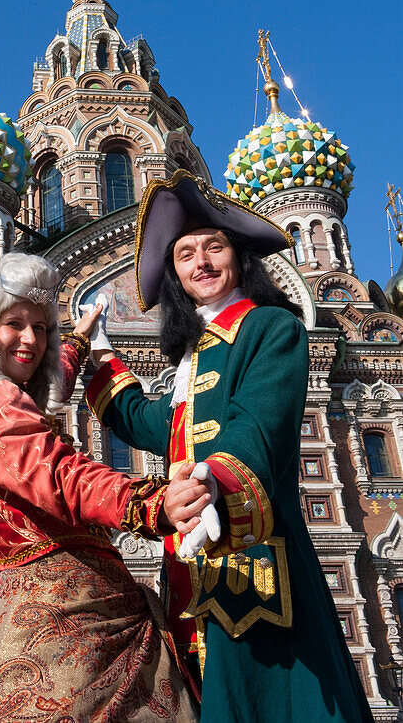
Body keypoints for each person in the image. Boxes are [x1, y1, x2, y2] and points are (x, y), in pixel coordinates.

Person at [86, 170, 374, 723]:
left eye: (214, 246)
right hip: (192, 562)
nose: (202, 262)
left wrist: (213, 480)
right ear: (176, 275)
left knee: (271, 694)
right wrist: (99, 354)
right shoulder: (194, 356)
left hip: (257, 547)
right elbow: (153, 425)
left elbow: (258, 425)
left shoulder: (270, 328)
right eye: (186, 254)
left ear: (238, 256)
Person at [0, 252, 198, 723]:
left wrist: (76, 340)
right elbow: (59, 475)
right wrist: (151, 502)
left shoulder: (4, 404)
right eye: (14, 324)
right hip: (58, 631)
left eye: (41, 328)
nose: (31, 339)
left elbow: (45, 391)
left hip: (89, 616)